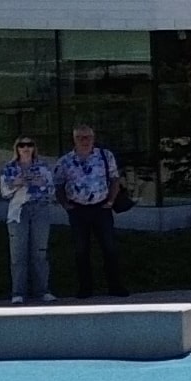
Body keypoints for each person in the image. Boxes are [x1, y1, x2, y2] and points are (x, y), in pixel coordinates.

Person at [55, 123, 128, 299]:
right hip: (78, 210)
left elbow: (115, 178)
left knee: (109, 247)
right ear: (74, 139)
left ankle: (115, 286)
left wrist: (110, 200)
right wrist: (66, 205)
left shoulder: (104, 155)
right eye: (80, 137)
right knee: (81, 250)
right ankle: (85, 288)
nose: (84, 141)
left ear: (93, 138)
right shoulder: (65, 161)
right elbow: (58, 185)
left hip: (101, 207)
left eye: (88, 137)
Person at [0, 135, 58, 304]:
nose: (26, 148)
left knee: (40, 252)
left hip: (40, 210)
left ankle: (42, 291)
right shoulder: (9, 168)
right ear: (17, 148)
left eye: (29, 145)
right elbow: (4, 192)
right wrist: (16, 183)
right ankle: (18, 293)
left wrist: (40, 183)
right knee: (18, 253)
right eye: (22, 145)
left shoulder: (43, 167)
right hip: (18, 211)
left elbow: (52, 190)